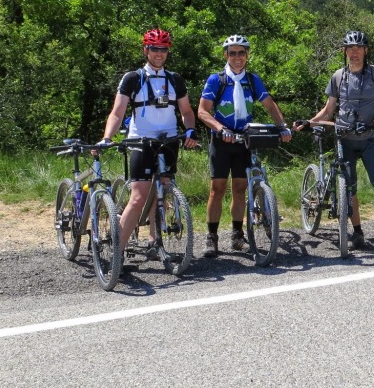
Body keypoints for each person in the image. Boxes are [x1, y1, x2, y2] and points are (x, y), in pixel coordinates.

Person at [295, 30, 374, 256]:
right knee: (350, 188)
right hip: (345, 139)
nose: (354, 52)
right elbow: (328, 110)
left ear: (366, 51)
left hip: (370, 139)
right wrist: (309, 122)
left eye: (359, 48)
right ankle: (357, 233)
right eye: (350, 48)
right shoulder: (338, 76)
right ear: (344, 51)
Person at [98, 29, 199, 259]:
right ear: (146, 50)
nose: (159, 53)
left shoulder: (174, 79)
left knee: (164, 187)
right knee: (138, 197)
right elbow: (117, 112)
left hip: (169, 139)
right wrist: (107, 137)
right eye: (154, 49)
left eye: (163, 49)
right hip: (140, 140)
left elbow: (186, 112)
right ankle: (116, 254)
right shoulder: (132, 78)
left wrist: (190, 129)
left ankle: (154, 241)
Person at [197, 34, 292, 258]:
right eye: (233, 53)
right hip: (222, 140)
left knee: (240, 189)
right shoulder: (216, 80)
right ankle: (212, 236)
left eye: (241, 53)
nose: (237, 57)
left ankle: (237, 234)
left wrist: (282, 126)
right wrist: (221, 129)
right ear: (226, 55)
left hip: (245, 139)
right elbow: (202, 111)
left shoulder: (252, 80)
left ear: (247, 55)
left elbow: (270, 105)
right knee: (217, 189)